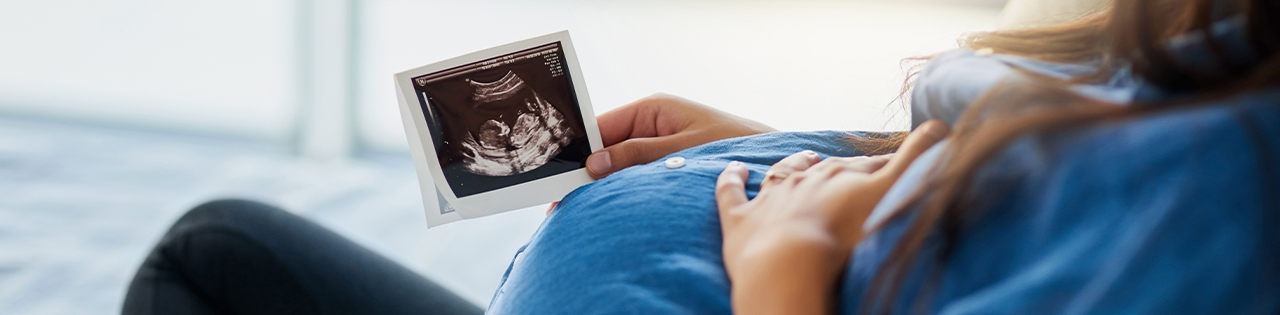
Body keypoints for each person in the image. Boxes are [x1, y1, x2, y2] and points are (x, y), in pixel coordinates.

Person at [123, 0, 1280, 313]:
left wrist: (786, 262)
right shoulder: (1206, 63)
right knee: (220, 247)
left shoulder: (1227, 189)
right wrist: (768, 145)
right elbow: (1002, 187)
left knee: (207, 262)